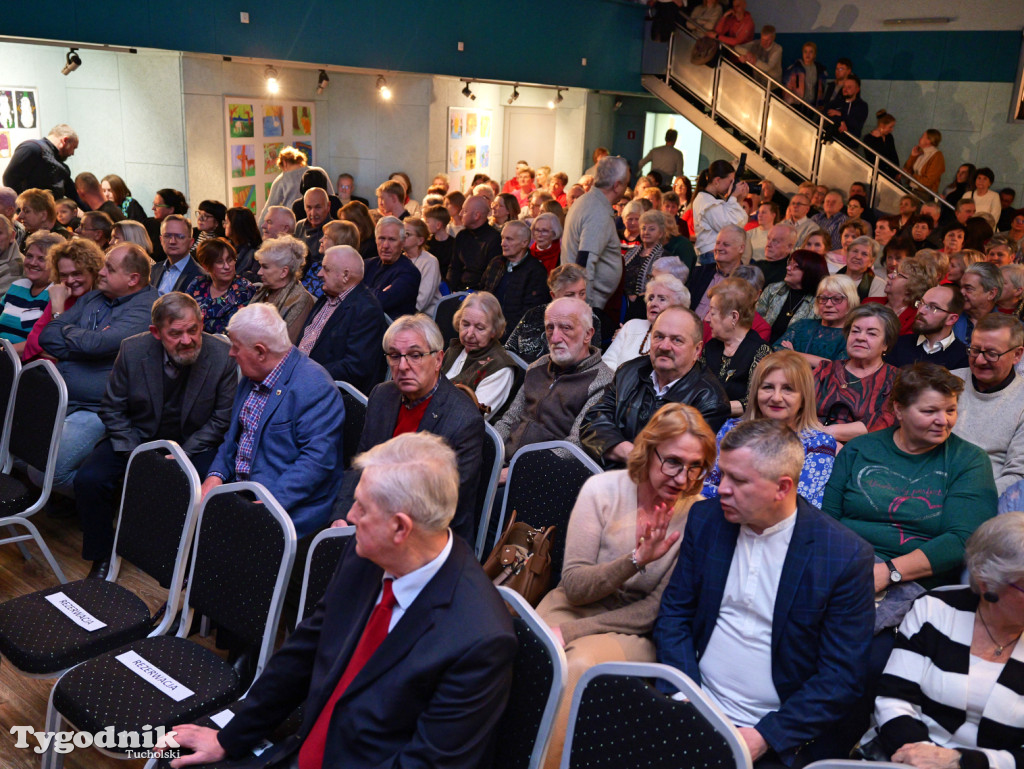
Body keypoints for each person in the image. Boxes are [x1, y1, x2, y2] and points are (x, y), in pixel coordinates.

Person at [167, 431, 517, 769]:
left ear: (400, 528)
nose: (350, 517)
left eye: (362, 508)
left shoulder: (480, 640)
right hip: (306, 744)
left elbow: (425, 763)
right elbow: (306, 649)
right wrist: (230, 739)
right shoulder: (368, 552)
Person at [656, 418, 875, 765]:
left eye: (738, 480)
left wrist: (764, 737)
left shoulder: (843, 556)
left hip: (772, 735)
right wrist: (686, 698)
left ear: (782, 487)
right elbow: (675, 614)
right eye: (722, 474)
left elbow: (841, 677)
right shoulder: (707, 519)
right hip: (690, 704)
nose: (721, 488)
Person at [539, 404, 717, 769]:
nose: (682, 478)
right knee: (520, 646)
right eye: (672, 462)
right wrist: (634, 561)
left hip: (631, 626)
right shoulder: (602, 490)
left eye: (694, 466)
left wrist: (571, 632)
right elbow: (573, 587)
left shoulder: (697, 513)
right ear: (648, 450)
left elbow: (653, 611)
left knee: (579, 667)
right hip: (575, 603)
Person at [73, 292, 236, 578]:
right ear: (156, 333)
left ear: (201, 323)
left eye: (193, 330)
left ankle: (180, 564)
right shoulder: (133, 350)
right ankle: (102, 555)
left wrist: (181, 454)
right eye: (175, 333)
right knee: (89, 480)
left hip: (194, 443)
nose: (187, 340)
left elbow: (221, 419)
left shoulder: (222, 356)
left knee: (205, 492)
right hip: (136, 438)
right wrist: (137, 452)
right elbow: (112, 408)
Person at [868, 513, 1024, 769]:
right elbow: (893, 699)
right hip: (907, 761)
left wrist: (960, 762)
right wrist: (922, 757)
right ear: (988, 584)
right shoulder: (936, 610)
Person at [823, 362, 996, 593]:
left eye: (950, 410)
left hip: (913, 579)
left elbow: (962, 539)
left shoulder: (969, 460)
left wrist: (887, 572)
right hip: (842, 563)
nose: (943, 420)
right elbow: (827, 518)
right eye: (929, 411)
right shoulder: (860, 449)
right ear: (898, 410)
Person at [332, 314, 485, 543]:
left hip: (422, 538)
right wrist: (341, 515)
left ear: (438, 359)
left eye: (415, 355)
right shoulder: (382, 396)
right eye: (394, 356)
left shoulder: (463, 420)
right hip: (370, 520)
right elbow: (360, 467)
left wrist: (374, 523)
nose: (403, 366)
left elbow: (440, 507)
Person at [202, 302, 344, 534]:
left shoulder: (315, 387)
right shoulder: (253, 375)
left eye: (236, 347)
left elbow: (316, 462)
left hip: (286, 505)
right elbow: (233, 437)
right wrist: (215, 475)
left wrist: (267, 503)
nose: (231, 353)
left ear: (260, 351)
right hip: (241, 492)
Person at [39, 243, 158, 495]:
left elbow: (98, 344)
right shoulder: (95, 297)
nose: (100, 272)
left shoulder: (146, 307)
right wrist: (88, 344)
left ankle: (114, 500)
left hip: (97, 409)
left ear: (133, 279)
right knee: (22, 453)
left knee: (47, 470)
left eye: (109, 268)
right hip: (64, 399)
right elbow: (47, 336)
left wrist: (70, 332)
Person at [581, 306, 730, 467]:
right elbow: (592, 423)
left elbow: (676, 462)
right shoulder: (628, 371)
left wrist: (618, 450)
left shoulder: (710, 400)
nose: (664, 346)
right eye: (658, 336)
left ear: (697, 350)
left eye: (677, 340)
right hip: (605, 477)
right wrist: (629, 452)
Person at [703, 350, 837, 507]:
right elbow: (705, 485)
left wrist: (733, 498)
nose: (776, 397)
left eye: (788, 389)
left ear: (804, 397)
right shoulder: (732, 428)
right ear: (755, 392)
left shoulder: (819, 443)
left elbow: (801, 504)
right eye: (768, 387)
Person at [495, 297, 613, 460]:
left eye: (566, 328)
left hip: (545, 474)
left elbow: (574, 447)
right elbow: (509, 420)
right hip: (505, 461)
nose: (555, 338)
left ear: (588, 334)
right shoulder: (538, 366)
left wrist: (516, 472)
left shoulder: (603, 381)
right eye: (550, 328)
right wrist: (491, 454)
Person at [949, 313, 1024, 497]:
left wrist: (968, 498)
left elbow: (1018, 475)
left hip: (987, 498)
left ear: (1017, 355)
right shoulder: (947, 382)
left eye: (992, 354)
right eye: (974, 350)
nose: (980, 361)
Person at [297, 245, 388, 393]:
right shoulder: (326, 298)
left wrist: (306, 373)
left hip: (328, 390)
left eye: (326, 269)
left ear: (346, 275)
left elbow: (355, 368)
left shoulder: (366, 310)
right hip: (301, 380)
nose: (319, 274)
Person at [814, 303, 900, 443]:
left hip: (863, 450)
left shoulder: (895, 379)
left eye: (871, 333)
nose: (860, 337)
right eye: (855, 331)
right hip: (811, 442)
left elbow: (883, 423)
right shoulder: (826, 370)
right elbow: (800, 407)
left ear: (886, 344)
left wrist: (825, 434)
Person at [560, 156, 631, 311]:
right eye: (626, 184)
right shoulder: (597, 211)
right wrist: (586, 311)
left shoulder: (587, 201)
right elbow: (585, 263)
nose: (626, 189)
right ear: (617, 185)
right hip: (588, 306)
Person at [22, 236, 104, 363]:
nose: (70, 281)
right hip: (39, 370)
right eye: (64, 275)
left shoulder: (102, 301)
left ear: (93, 271)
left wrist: (57, 310)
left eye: (77, 274)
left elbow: (58, 347)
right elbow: (33, 342)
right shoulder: (62, 294)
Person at [504, 264, 604, 364]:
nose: (578, 300)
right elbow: (509, 351)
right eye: (570, 295)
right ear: (554, 295)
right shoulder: (533, 314)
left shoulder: (590, 321)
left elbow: (589, 363)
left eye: (582, 293)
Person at [441, 291, 517, 420]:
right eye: (465, 324)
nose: (469, 333)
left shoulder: (501, 367)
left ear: (494, 331)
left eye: (479, 328)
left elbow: (471, 418)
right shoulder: (456, 348)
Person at [702, 277, 771, 415]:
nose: (707, 318)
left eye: (713, 312)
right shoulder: (711, 346)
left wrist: (710, 408)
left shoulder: (760, 352)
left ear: (734, 317)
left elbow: (755, 402)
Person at [602, 273, 689, 372]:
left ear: (679, 306)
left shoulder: (681, 339)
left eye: (662, 299)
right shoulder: (632, 326)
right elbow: (607, 363)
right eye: (650, 298)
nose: (653, 303)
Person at [775, 274, 860, 367]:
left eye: (836, 299)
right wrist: (821, 361)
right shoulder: (801, 325)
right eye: (823, 298)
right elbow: (777, 350)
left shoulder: (852, 336)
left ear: (851, 301)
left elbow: (837, 368)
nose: (828, 304)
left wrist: (793, 354)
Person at [248, 235, 315, 344]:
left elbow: (285, 346)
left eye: (265, 267)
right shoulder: (263, 290)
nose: (259, 272)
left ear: (284, 272)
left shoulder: (301, 300)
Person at [0, 230, 60, 351]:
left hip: (22, 362)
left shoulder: (56, 294)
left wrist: (5, 352)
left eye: (41, 259)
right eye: (29, 256)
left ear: (56, 264)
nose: (32, 263)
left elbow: (45, 341)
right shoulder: (17, 286)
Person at [886, 283, 969, 369]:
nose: (921, 310)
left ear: (951, 319)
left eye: (933, 307)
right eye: (921, 303)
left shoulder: (963, 357)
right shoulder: (898, 344)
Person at [757, 249, 829, 344]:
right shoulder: (773, 289)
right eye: (789, 263)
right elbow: (756, 319)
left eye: (796, 267)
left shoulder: (818, 302)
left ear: (810, 272)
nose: (788, 268)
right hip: (760, 345)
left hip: (792, 354)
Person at [186, 238, 255, 335]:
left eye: (230, 260)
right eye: (219, 262)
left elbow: (234, 332)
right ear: (206, 266)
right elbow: (182, 315)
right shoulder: (197, 284)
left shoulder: (245, 290)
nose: (227, 266)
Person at [362, 215, 421, 318]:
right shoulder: (367, 264)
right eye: (381, 238)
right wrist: (377, 293)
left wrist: (357, 287)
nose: (385, 245)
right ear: (375, 240)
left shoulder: (409, 273)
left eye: (392, 239)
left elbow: (381, 302)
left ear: (402, 243)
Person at [2, 124, 79, 203]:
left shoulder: (60, 165)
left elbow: (73, 194)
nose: (72, 153)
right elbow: (10, 179)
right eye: (73, 147)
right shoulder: (32, 148)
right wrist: (27, 206)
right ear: (65, 140)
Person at [691, 160, 748, 265]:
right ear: (717, 180)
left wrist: (738, 200)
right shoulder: (705, 200)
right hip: (710, 256)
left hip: (717, 254)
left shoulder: (714, 199)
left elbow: (738, 225)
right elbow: (727, 227)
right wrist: (734, 197)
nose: (732, 185)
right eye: (730, 181)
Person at [689, 224, 747, 318]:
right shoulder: (699, 273)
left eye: (726, 244)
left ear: (741, 248)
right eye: (717, 243)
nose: (718, 248)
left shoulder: (746, 281)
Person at [447, 195, 502, 291]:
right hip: (458, 292)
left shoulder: (494, 239)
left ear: (477, 215)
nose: (460, 214)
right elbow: (454, 267)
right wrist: (449, 291)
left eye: (464, 211)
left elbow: (491, 277)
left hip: (480, 295)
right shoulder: (461, 235)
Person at [151, 215, 205, 295]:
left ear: (191, 242)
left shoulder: (200, 276)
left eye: (180, 237)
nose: (172, 241)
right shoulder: (154, 270)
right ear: (161, 240)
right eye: (167, 236)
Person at [257, 145, 308, 226]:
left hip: (292, 223)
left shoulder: (282, 180)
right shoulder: (318, 171)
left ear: (284, 163)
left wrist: (259, 231)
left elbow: (269, 207)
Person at [955, 261, 1002, 344]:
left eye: (968, 288)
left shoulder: (1009, 328)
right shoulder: (949, 320)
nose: (961, 292)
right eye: (961, 287)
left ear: (991, 294)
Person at [751, 223, 799, 287]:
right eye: (768, 239)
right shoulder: (756, 266)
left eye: (775, 241)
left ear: (789, 247)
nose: (768, 244)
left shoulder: (790, 273)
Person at [784, 41, 828, 107]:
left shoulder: (820, 70)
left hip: (813, 106)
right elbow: (787, 87)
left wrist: (820, 103)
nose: (808, 54)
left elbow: (822, 89)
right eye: (805, 51)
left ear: (815, 54)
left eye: (811, 52)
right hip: (797, 105)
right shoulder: (794, 69)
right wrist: (790, 103)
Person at [294, 188, 332, 261]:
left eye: (318, 207)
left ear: (328, 206)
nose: (313, 213)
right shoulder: (299, 226)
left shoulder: (336, 230)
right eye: (309, 207)